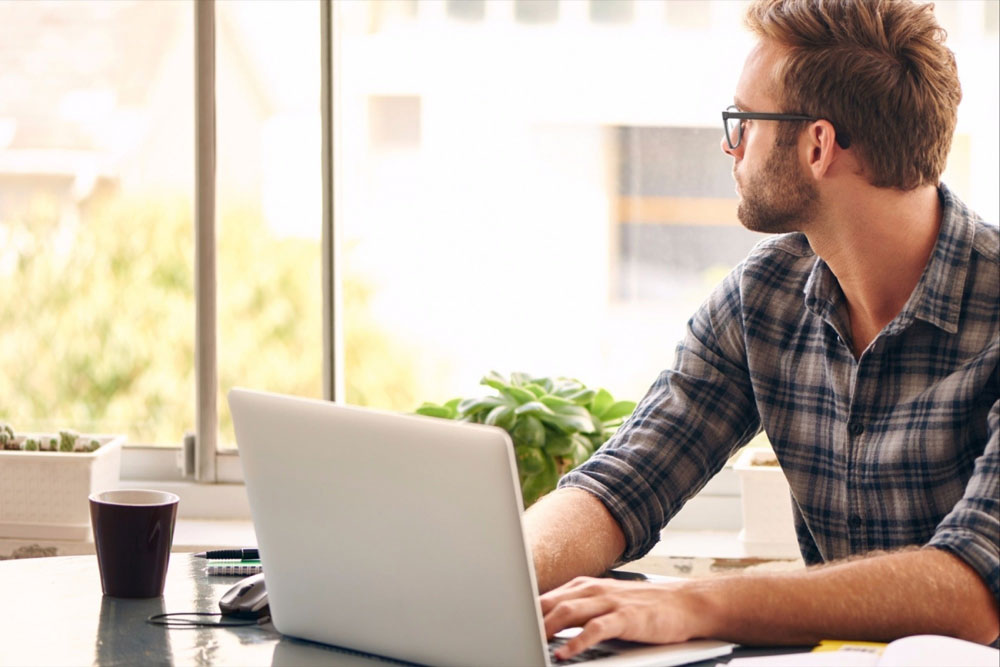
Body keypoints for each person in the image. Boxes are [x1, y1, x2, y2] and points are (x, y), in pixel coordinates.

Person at [526, 0, 999, 659]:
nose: (731, 144)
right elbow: (624, 482)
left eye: (744, 120)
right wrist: (502, 575)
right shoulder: (765, 294)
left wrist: (690, 603)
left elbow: (974, 590)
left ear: (817, 145)